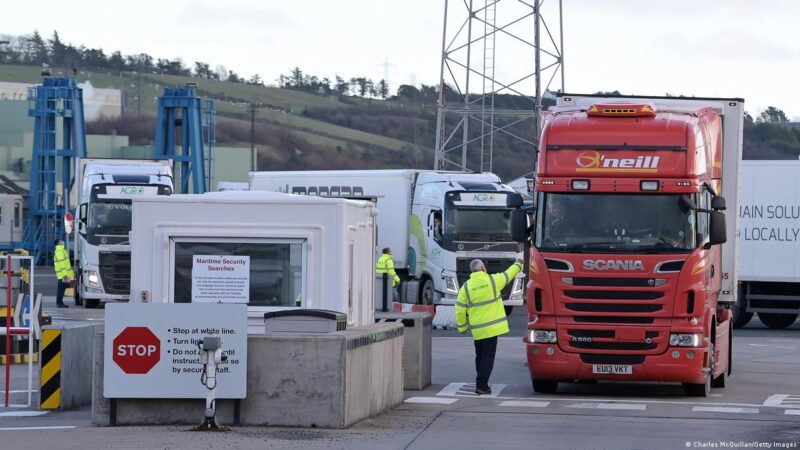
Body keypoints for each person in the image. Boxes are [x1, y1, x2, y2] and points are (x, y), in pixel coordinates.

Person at [456, 257, 524, 395]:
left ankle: (482, 381)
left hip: (478, 330)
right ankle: (481, 385)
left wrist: (462, 327)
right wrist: (518, 264)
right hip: (492, 329)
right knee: (487, 357)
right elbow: (509, 274)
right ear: (483, 269)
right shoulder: (493, 281)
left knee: (480, 356)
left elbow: (459, 308)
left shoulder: (466, 287)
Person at [53, 238, 75, 309]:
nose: (62, 242)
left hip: (64, 274)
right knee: (61, 289)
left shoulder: (62, 250)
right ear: (58, 243)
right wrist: (65, 275)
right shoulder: (60, 252)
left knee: (62, 288)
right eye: (61, 241)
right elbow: (62, 264)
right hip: (63, 275)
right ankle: (59, 303)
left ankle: (60, 303)